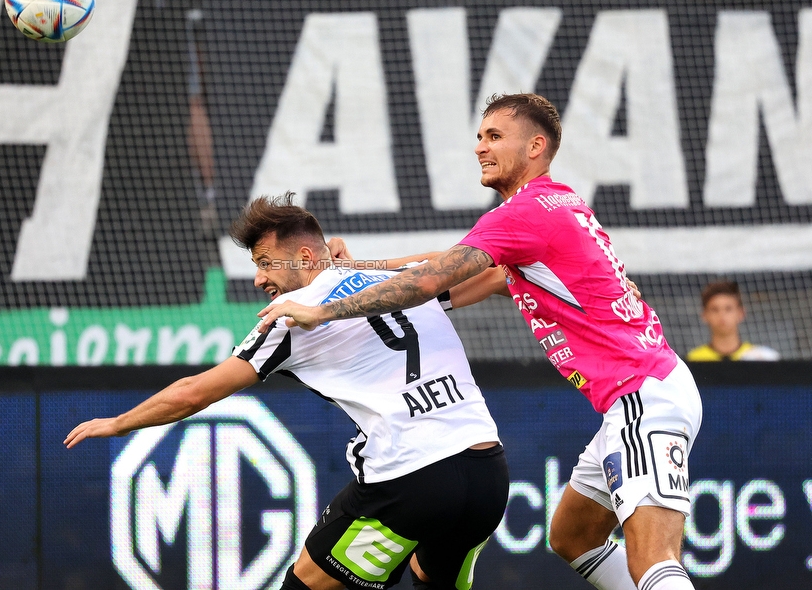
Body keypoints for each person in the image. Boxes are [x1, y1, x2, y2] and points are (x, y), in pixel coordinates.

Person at [258, 93, 703, 590]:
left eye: (494, 136)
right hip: (645, 390)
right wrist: (347, 269)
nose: (480, 148)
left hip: (641, 393)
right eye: (479, 137)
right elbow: (455, 266)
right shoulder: (554, 202)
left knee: (655, 561)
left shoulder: (521, 214)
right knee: (573, 536)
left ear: (535, 146)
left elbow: (429, 280)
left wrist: (321, 308)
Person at [65, 193, 510, 590]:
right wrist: (360, 267)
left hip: (412, 478)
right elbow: (489, 269)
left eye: (264, 261)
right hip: (488, 472)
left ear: (303, 255)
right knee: (430, 576)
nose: (259, 278)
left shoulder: (289, 318)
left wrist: (121, 423)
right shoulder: (408, 282)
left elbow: (193, 394)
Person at [686, 280, 780, 361]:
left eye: (728, 309)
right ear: (704, 315)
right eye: (715, 309)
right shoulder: (693, 359)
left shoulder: (759, 357)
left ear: (741, 313)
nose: (722, 316)